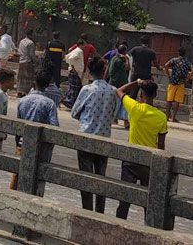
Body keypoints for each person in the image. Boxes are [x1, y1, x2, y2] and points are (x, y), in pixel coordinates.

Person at [113, 78, 167, 220]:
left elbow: (119, 91)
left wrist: (136, 83)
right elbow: (161, 146)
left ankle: (118, 228)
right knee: (148, 202)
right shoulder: (161, 117)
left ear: (141, 95)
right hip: (148, 162)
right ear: (155, 95)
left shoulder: (135, 108)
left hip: (131, 159)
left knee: (124, 199)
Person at [70, 57, 115, 213]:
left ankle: (87, 211)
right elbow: (114, 115)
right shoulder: (113, 91)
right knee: (100, 178)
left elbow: (74, 113)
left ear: (89, 72)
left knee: (86, 179)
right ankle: (99, 212)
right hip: (103, 138)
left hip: (86, 137)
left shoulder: (86, 90)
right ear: (104, 72)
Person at [11, 71, 60, 193]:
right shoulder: (49, 104)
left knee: (18, 173)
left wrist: (18, 142)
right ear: (47, 85)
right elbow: (54, 127)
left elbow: (18, 125)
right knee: (39, 177)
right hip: (41, 147)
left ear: (34, 83)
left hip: (23, 143)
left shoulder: (22, 101)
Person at [161, 48, 193, 123]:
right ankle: (173, 118)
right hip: (181, 83)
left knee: (169, 100)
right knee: (177, 101)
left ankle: (166, 117)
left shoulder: (174, 60)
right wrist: (188, 78)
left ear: (178, 52)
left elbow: (166, 65)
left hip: (172, 81)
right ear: (185, 53)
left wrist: (168, 75)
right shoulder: (187, 62)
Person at [106, 43, 131, 127]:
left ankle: (114, 119)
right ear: (124, 52)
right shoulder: (119, 60)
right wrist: (127, 59)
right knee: (123, 102)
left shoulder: (113, 58)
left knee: (114, 102)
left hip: (114, 83)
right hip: (119, 84)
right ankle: (125, 122)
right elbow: (128, 68)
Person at [61, 44, 86, 108]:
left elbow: (67, 57)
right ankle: (70, 103)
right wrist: (73, 68)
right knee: (75, 89)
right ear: (81, 45)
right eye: (83, 45)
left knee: (72, 88)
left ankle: (67, 101)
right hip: (75, 72)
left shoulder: (75, 50)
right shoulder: (79, 51)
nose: (84, 47)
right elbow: (70, 59)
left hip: (73, 72)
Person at [0, 23, 14, 90]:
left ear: (4, 30)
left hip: (0, 57)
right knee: (1, 73)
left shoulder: (3, 38)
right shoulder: (9, 37)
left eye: (0, 29)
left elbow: (4, 48)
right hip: (5, 58)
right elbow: (13, 46)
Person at [15, 29, 37, 96]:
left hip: (21, 61)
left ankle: (19, 92)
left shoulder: (21, 41)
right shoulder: (31, 43)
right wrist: (36, 61)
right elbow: (32, 55)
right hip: (28, 62)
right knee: (28, 78)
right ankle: (25, 92)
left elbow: (19, 52)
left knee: (21, 78)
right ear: (31, 35)